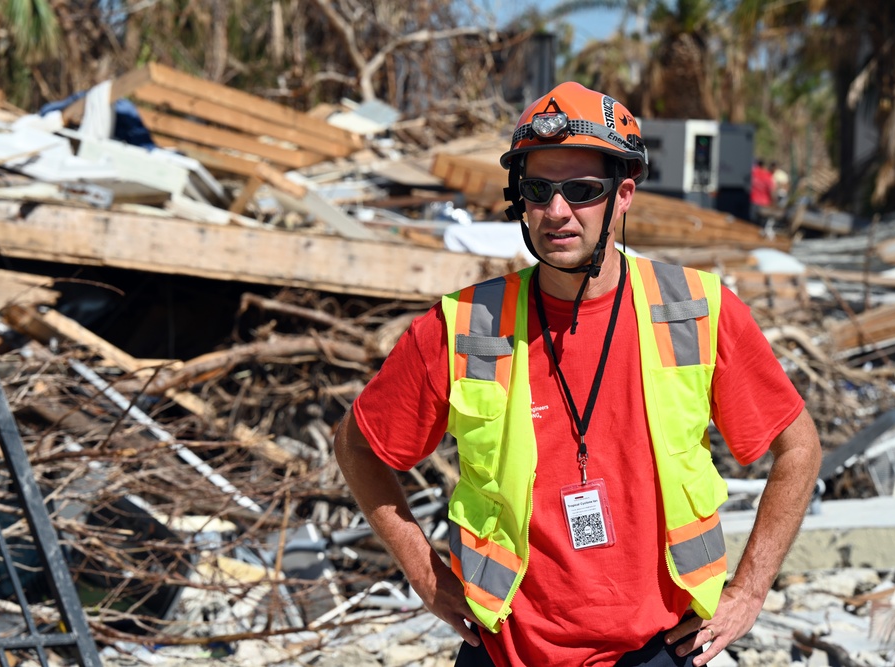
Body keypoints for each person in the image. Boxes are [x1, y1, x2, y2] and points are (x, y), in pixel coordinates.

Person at [334, 82, 821, 667]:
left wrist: (747, 592)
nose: (556, 211)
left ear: (624, 196)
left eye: (582, 192)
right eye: (538, 190)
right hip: (509, 651)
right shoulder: (464, 325)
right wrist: (425, 574)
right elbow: (359, 447)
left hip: (657, 649)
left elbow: (799, 447)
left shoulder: (697, 309)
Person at [750, 159, 775, 224]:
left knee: (752, 223)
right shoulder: (768, 175)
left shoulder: (753, 173)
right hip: (764, 203)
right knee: (762, 224)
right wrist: (773, 202)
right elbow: (771, 190)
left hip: (754, 201)